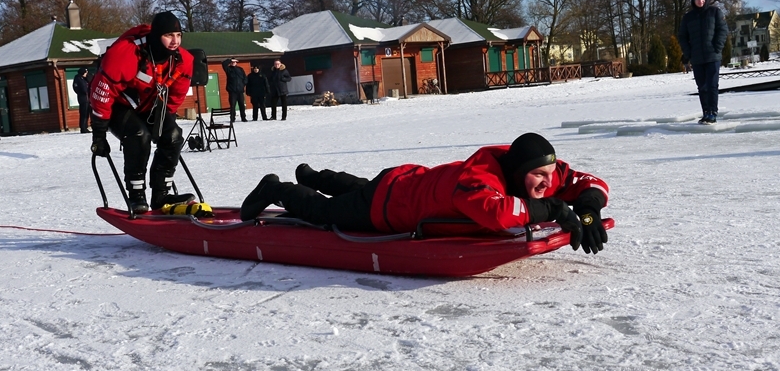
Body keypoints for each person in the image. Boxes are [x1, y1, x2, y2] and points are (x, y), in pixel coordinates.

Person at [241, 132, 610, 254]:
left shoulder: (535, 169)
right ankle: (280, 188)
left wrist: (588, 210)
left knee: (359, 188)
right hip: (389, 207)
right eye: (538, 177)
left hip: (404, 182)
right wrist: (554, 209)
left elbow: (588, 183)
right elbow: (496, 213)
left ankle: (315, 174)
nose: (547, 183)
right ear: (518, 173)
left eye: (549, 175)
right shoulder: (481, 179)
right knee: (326, 213)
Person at [88, 11, 196, 214]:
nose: (175, 41)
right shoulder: (126, 53)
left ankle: (161, 195)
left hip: (149, 104)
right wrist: (99, 134)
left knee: (173, 136)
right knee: (139, 136)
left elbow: (175, 96)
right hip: (116, 105)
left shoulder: (183, 60)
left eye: (178, 35)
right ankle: (137, 196)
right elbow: (101, 92)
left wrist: (166, 122)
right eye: (169, 35)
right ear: (157, 35)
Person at [678, 0, 728, 125]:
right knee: (702, 87)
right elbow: (682, 36)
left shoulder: (714, 12)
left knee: (712, 85)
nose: (700, 1)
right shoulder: (688, 18)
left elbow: (723, 30)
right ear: (693, 0)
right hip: (697, 58)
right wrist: (689, 53)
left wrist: (717, 47)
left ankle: (713, 112)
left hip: (712, 56)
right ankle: (706, 112)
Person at [223, 58, 248, 122]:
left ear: (236, 62)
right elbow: (223, 64)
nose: (233, 63)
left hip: (240, 91)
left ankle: (243, 118)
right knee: (232, 106)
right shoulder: (228, 69)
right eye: (232, 62)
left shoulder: (240, 69)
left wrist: (243, 84)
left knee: (242, 105)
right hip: (232, 91)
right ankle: (232, 118)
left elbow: (245, 78)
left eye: (234, 62)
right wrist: (229, 60)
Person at [72, 67, 91, 133]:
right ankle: (83, 128)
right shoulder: (78, 78)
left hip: (87, 98)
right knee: (84, 113)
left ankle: (85, 127)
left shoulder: (84, 78)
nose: (86, 74)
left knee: (87, 113)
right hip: (83, 98)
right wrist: (84, 92)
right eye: (86, 73)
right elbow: (79, 88)